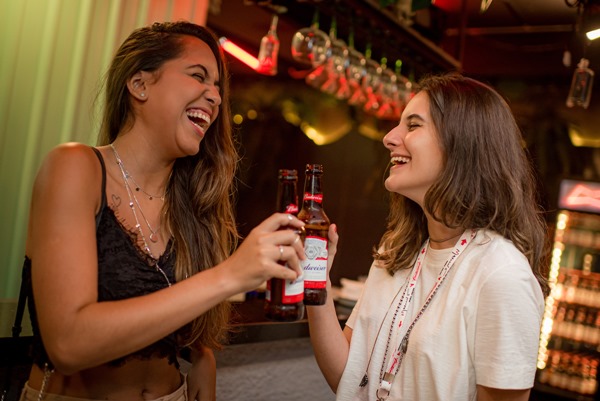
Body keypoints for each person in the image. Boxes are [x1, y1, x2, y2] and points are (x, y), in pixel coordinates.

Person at [20, 21, 305, 401]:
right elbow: (69, 345)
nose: (216, 98)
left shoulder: (193, 205)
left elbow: (159, 303)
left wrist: (199, 352)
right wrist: (229, 276)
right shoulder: (76, 168)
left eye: (219, 88)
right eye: (198, 76)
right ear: (139, 85)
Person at [307, 73, 550, 401]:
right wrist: (315, 281)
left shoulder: (501, 274)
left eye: (414, 125)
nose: (390, 137)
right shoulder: (397, 252)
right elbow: (349, 379)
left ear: (462, 144)